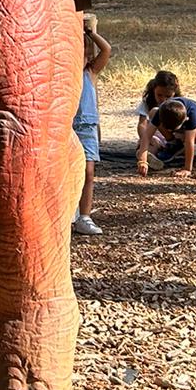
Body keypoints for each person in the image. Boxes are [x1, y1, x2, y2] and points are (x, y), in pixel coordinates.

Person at [134, 78, 196, 175]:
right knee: (153, 112)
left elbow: (189, 142)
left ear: (185, 120)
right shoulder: (161, 111)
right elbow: (147, 136)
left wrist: (187, 169)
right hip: (178, 126)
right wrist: (143, 161)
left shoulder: (192, 116)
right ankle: (175, 145)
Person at [72, 17, 111, 236]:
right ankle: (70, 213)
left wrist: (90, 33)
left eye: (84, 54)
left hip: (86, 128)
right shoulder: (62, 75)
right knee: (67, 171)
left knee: (88, 172)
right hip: (67, 127)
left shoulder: (90, 72)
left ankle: (85, 216)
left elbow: (106, 50)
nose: (81, 58)